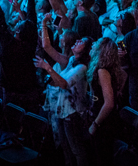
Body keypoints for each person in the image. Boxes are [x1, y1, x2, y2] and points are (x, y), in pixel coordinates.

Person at [36, 13, 92, 166]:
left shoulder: (81, 67)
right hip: (63, 110)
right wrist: (44, 22)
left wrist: (47, 67)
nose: (78, 41)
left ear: (85, 50)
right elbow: (46, 46)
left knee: (76, 150)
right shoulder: (72, 60)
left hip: (72, 113)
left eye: (81, 42)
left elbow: (64, 84)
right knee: (66, 149)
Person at [87, 37, 127, 166]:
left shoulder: (102, 71)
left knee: (102, 158)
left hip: (104, 123)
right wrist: (118, 90)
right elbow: (124, 74)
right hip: (105, 119)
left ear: (101, 51)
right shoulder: (108, 69)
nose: (92, 46)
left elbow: (109, 103)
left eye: (96, 45)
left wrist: (95, 124)